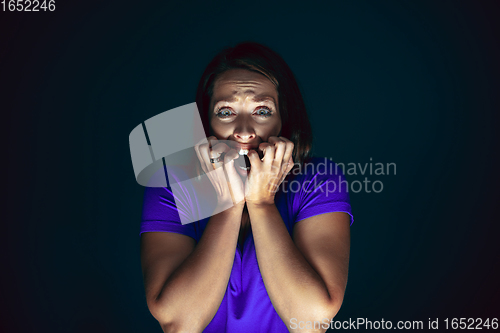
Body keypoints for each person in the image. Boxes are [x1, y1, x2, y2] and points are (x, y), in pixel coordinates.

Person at [139, 42, 353, 333]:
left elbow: (311, 321)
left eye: (262, 111)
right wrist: (229, 204)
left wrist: (262, 203)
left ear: (283, 121)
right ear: (205, 123)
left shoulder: (319, 179)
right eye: (226, 112)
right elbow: (180, 322)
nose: (243, 131)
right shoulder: (171, 183)